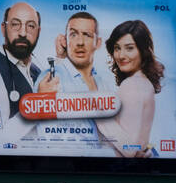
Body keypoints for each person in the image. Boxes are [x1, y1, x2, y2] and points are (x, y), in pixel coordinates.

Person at [0, 1, 53, 147]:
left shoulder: (34, 69)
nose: (22, 32)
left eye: (31, 26)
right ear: (3, 29)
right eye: (15, 24)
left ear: (38, 31)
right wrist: (37, 102)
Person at [43, 11, 120, 155]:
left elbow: (111, 134)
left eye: (87, 35)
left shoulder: (104, 85)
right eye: (73, 34)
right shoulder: (49, 79)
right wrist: (60, 58)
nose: (80, 42)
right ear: (64, 40)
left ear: (98, 43)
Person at [96, 20, 164, 158]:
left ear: (143, 50)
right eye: (117, 48)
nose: (121, 56)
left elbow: (131, 148)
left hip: (122, 170)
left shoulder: (132, 85)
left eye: (129, 48)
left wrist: (99, 115)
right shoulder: (145, 83)